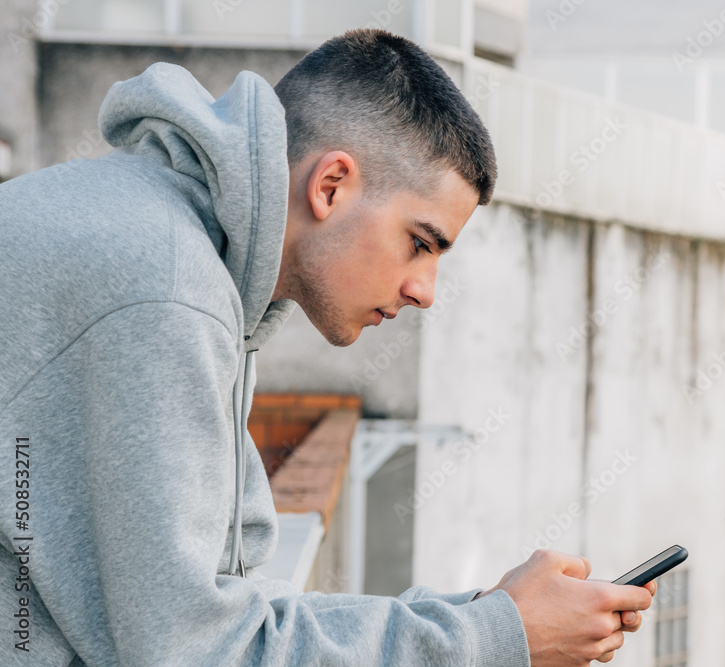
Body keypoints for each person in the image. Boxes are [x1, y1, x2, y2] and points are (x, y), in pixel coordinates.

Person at [0, 29, 654, 666]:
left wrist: (476, 618)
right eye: (420, 243)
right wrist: (489, 641)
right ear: (331, 185)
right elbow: (201, 652)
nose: (424, 291)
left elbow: (221, 615)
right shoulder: (165, 285)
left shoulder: (173, 244)